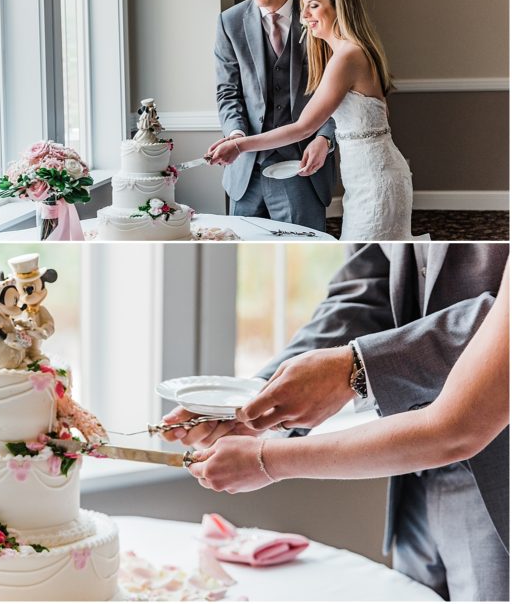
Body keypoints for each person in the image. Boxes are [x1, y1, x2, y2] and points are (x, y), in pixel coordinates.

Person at [164, 243, 509, 601]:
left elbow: (457, 422)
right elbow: (367, 287)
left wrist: (356, 368)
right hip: (410, 485)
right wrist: (257, 404)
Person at [209, 0, 413, 240]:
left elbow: (304, 128)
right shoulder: (347, 51)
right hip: (367, 178)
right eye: (304, 7)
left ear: (338, 6)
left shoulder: (347, 57)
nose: (304, 16)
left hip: (375, 183)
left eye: (314, 6)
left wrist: (238, 145)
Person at [212, 0, 336, 233]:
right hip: (246, 170)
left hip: (303, 166)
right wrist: (236, 133)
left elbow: (338, 91)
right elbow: (227, 92)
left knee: (302, 252)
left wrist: (325, 138)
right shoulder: (230, 22)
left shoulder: (318, 19)